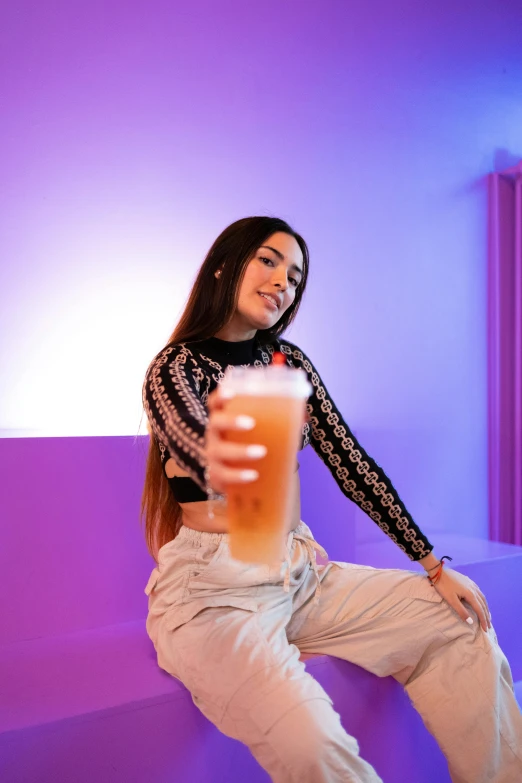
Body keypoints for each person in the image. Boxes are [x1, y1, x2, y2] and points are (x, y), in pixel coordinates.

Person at [141, 216, 522, 783]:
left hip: (297, 577)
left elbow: (352, 465)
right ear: (225, 265)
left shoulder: (289, 363)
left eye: (295, 277)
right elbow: (191, 442)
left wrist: (433, 565)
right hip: (213, 595)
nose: (283, 282)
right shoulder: (176, 367)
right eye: (268, 261)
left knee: (460, 623)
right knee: (313, 742)